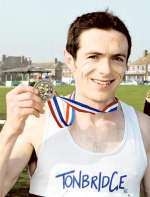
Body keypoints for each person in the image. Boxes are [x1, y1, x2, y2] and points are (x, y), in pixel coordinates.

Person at [0, 11, 150, 197]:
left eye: (117, 58)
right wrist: (10, 130)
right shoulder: (39, 120)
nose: (105, 70)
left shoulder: (144, 127)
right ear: (70, 60)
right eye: (93, 56)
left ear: (126, 64)